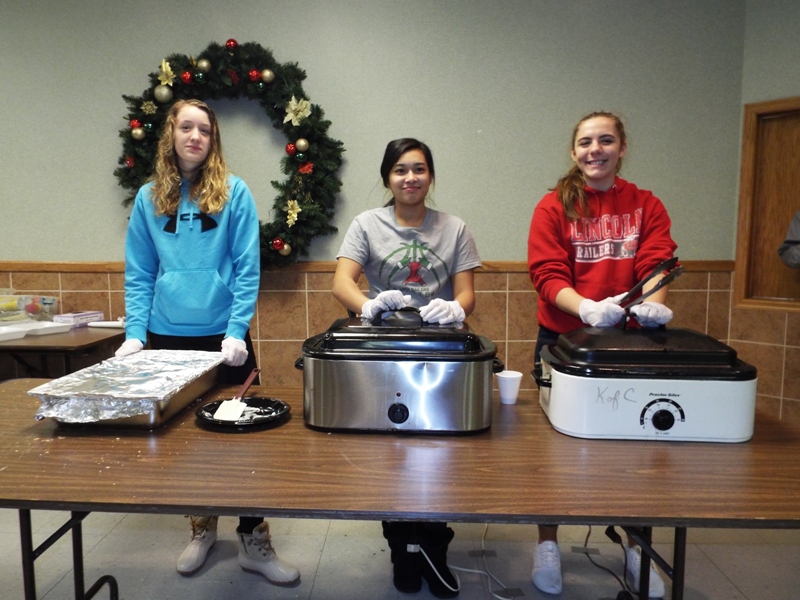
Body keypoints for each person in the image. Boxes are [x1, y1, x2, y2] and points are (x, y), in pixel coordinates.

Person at [115, 99, 299, 587]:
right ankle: (201, 528)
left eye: (204, 129)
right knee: (186, 443)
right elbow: (140, 271)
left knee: (243, 439)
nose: (195, 136)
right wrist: (135, 335)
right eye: (186, 127)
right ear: (171, 135)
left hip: (224, 340)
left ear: (213, 139)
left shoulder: (234, 192)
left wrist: (236, 329)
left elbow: (247, 266)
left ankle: (254, 540)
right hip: (166, 336)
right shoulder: (149, 198)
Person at [527, 112, 676, 598]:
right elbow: (547, 273)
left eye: (606, 140)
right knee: (551, 451)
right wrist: (587, 309)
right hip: (563, 341)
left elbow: (657, 262)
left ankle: (636, 548)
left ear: (622, 147)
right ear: (574, 152)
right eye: (586, 142)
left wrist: (653, 306)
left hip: (631, 344)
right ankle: (547, 544)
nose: (596, 149)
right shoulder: (553, 206)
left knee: (635, 452)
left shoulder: (646, 204)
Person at [332, 138, 482, 598]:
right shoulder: (366, 224)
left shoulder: (454, 228)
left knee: (437, 455)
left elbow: (467, 293)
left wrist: (456, 309)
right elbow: (341, 282)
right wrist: (368, 305)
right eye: (400, 170)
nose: (410, 178)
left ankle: (435, 548)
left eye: (419, 169)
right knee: (392, 455)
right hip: (387, 353)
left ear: (430, 176)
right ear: (387, 178)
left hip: (440, 353)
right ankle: (401, 548)